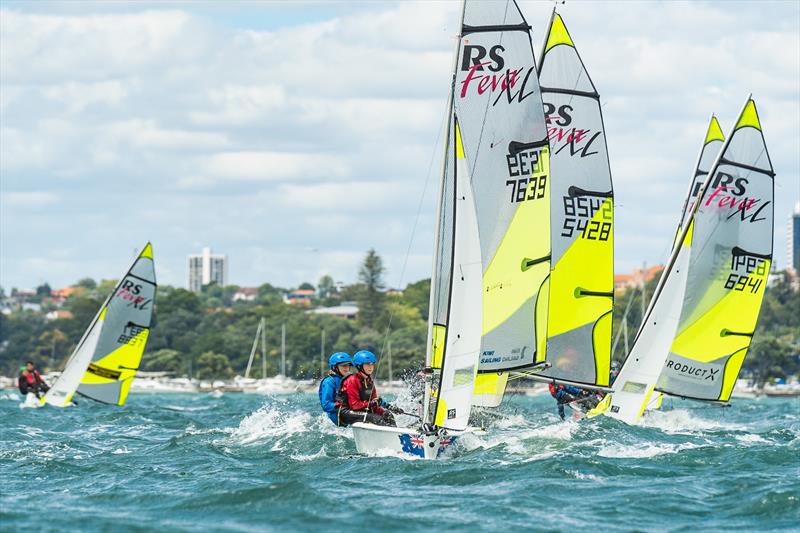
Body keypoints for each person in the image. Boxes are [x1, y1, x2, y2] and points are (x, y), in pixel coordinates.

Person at [337, 350, 402, 427]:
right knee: (376, 418)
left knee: (388, 414)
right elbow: (354, 405)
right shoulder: (352, 380)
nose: (371, 367)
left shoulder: (369, 381)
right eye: (367, 364)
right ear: (359, 366)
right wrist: (371, 403)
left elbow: (375, 402)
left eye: (372, 364)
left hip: (361, 410)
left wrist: (390, 408)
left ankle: (396, 435)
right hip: (347, 412)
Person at [318, 352, 352, 425]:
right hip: (334, 418)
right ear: (335, 367)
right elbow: (326, 405)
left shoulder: (349, 380)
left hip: (346, 414)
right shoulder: (329, 382)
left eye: (348, 365)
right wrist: (340, 404)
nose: (347, 368)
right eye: (343, 366)